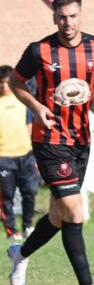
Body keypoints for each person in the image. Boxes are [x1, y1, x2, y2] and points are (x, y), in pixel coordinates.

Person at [6, 0, 94, 285]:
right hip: (49, 140)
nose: (67, 23)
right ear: (54, 18)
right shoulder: (39, 50)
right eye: (61, 17)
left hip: (82, 141)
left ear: (80, 16)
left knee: (58, 217)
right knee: (74, 211)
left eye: (72, 16)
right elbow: (17, 82)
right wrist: (38, 106)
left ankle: (22, 253)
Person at [0, 65, 38, 241]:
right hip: (3, 157)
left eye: (7, 82)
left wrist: (35, 153)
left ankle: (28, 226)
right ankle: (11, 230)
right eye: (1, 83)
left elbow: (30, 128)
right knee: (6, 197)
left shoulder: (23, 102)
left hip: (26, 155)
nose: (4, 86)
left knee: (29, 192)